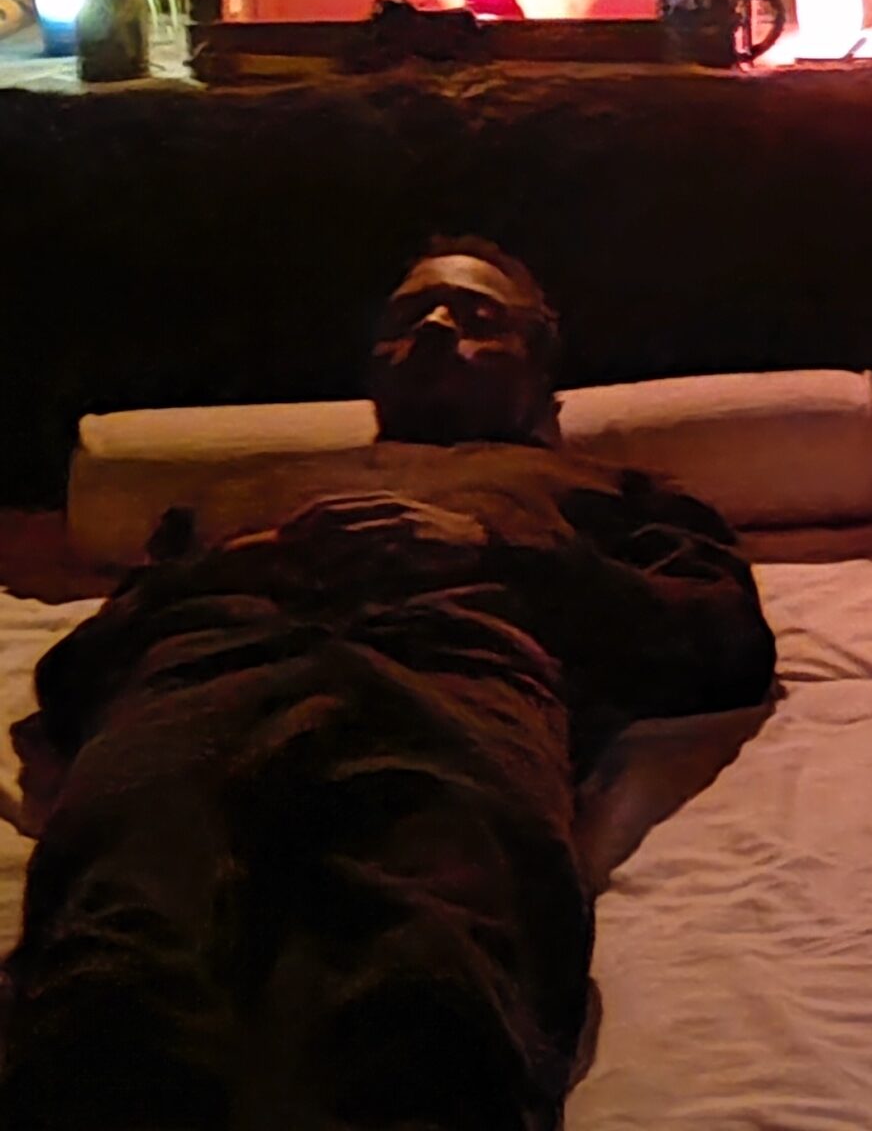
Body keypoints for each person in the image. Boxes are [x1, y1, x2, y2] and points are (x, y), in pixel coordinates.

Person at [1, 245, 776, 1131]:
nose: (437, 329)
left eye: (477, 318)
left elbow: (722, 637)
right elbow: (77, 672)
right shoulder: (238, 495)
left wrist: (492, 552)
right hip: (202, 678)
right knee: (117, 964)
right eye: (410, 318)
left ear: (539, 364)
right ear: (372, 365)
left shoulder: (607, 489)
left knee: (426, 975)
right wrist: (238, 566)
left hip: (449, 679)